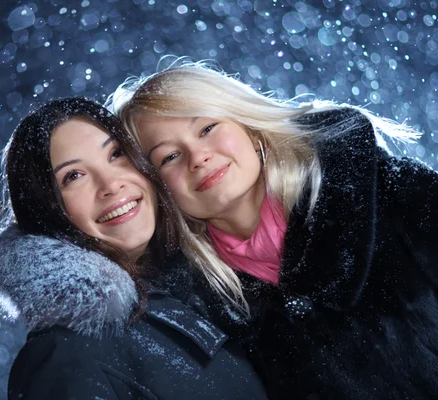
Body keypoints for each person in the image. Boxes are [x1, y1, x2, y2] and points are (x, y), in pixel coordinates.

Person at [108, 61, 438, 399]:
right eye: (169, 156)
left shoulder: (390, 194)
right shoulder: (195, 309)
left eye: (207, 128)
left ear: (248, 128)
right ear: (160, 188)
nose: (198, 157)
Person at [0, 97, 268, 400]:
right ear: (46, 211)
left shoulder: (200, 288)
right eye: (73, 176)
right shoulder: (64, 355)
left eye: (116, 154)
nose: (111, 183)